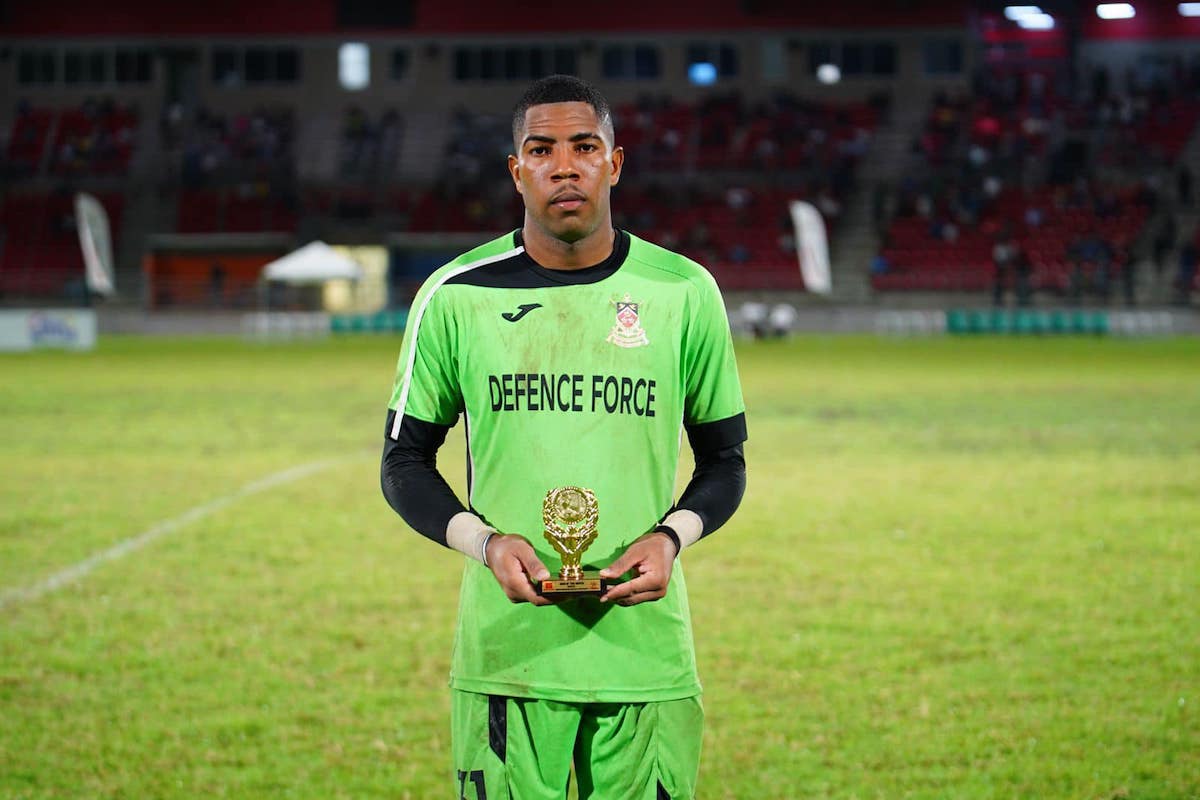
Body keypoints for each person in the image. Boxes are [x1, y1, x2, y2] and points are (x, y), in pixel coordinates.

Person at [380, 75, 747, 799]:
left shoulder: (683, 292)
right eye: (541, 149)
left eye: (585, 146)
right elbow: (403, 461)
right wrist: (485, 543)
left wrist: (672, 537)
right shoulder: (457, 295)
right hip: (510, 657)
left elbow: (725, 460)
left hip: (645, 658)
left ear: (615, 162)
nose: (565, 165)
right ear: (517, 171)